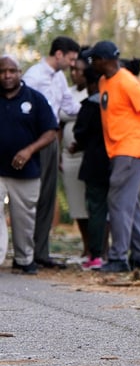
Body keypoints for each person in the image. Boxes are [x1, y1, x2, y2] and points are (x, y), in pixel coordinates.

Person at [83, 40, 140, 273]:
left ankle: (118, 258)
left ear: (104, 60)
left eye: (93, 59)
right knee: (130, 205)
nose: (91, 63)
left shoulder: (127, 81)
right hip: (119, 150)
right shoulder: (105, 81)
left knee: (117, 203)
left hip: (130, 149)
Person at [22, 35, 83, 268]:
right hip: (33, 140)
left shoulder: (59, 78)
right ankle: (24, 253)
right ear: (58, 54)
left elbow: (69, 106)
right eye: (71, 58)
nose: (72, 64)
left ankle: (41, 252)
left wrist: (95, 110)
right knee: (30, 196)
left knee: (47, 196)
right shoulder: (32, 76)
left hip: (51, 140)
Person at [0, 55, 59, 275]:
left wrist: (29, 150)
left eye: (11, 71)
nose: (7, 75)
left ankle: (24, 259)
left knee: (23, 220)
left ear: (19, 72)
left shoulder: (35, 99)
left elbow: (51, 132)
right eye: (2, 71)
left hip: (25, 171)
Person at [71, 65, 111, 270]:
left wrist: (77, 144)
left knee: (96, 209)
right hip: (118, 162)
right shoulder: (114, 101)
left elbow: (80, 133)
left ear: (91, 83)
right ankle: (114, 253)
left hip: (95, 163)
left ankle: (96, 254)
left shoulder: (89, 106)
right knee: (118, 209)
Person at [60, 53, 91, 261]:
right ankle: (85, 246)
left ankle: (95, 248)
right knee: (75, 203)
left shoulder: (93, 92)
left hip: (85, 155)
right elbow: (59, 124)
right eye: (72, 70)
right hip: (67, 157)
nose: (74, 73)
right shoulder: (67, 92)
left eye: (78, 70)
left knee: (90, 202)